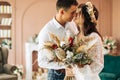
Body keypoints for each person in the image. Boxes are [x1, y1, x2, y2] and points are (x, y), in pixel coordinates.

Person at [37, 0, 78, 80]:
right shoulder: (46, 31)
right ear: (62, 11)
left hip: (74, 74)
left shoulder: (72, 25)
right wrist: (64, 66)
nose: (75, 15)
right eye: (72, 12)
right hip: (56, 76)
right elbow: (41, 62)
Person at [67, 2, 104, 80]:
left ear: (86, 16)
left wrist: (82, 68)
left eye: (78, 13)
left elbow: (98, 64)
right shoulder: (75, 36)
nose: (75, 16)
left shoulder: (94, 37)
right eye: (75, 13)